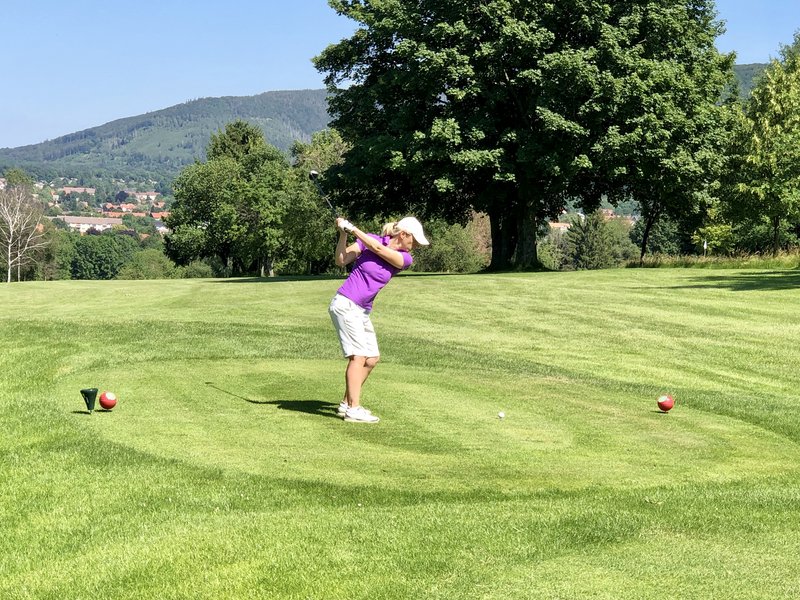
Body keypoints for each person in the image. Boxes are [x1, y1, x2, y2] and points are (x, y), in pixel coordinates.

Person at [328, 215, 429, 423]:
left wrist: (354, 229)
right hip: (346, 303)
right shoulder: (369, 240)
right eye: (415, 241)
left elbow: (380, 250)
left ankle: (347, 403)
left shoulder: (404, 258)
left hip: (362, 310)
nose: (416, 246)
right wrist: (342, 235)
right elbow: (341, 260)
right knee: (358, 356)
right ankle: (354, 409)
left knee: (372, 358)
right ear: (403, 235)